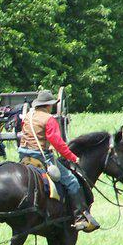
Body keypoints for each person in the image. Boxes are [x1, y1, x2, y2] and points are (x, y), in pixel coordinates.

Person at [18, 89, 100, 232]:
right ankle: (80, 217)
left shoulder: (28, 116)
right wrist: (73, 158)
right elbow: (58, 143)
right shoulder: (49, 119)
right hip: (40, 157)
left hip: (24, 155)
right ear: (48, 105)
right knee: (72, 182)